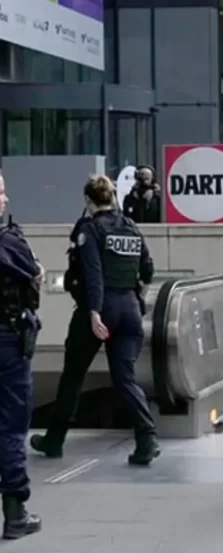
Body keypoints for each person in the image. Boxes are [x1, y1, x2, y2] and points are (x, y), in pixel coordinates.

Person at [31, 175, 160, 466]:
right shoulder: (130, 227)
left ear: (88, 201)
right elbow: (148, 269)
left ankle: (54, 439)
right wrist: (134, 293)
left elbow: (92, 274)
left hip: (101, 308)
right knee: (125, 378)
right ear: (113, 197)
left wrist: (94, 312)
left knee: (73, 375)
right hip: (129, 309)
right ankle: (147, 438)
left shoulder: (90, 230)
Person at [0, 172, 44, 540]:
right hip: (7, 341)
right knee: (12, 425)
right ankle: (15, 513)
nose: (5, 200)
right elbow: (34, 274)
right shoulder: (10, 242)